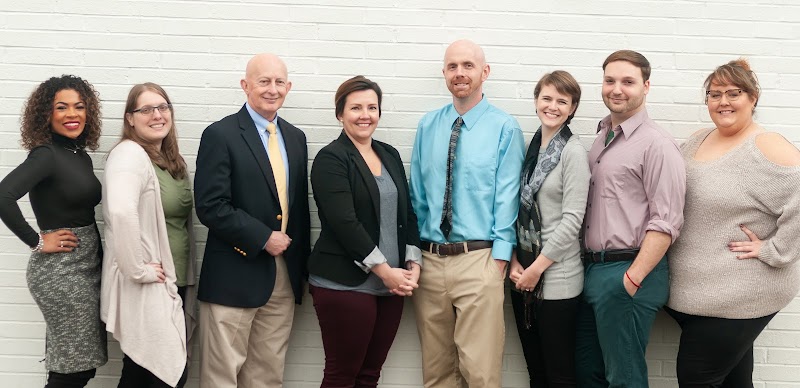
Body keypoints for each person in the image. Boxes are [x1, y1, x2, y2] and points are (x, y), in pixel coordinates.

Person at [665, 59, 800, 387]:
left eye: (734, 93)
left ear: (753, 98)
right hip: (697, 294)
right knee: (735, 382)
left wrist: (774, 250)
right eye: (715, 94)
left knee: (697, 378)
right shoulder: (698, 140)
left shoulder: (764, 145)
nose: (723, 101)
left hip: (739, 296)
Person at [410, 39, 525, 387]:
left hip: (479, 259)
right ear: (444, 73)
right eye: (452, 66)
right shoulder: (428, 126)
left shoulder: (505, 127)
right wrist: (415, 253)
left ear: (484, 72)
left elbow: (509, 197)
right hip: (430, 264)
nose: (460, 73)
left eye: (468, 66)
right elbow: (417, 195)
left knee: (481, 373)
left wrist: (500, 259)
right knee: (437, 373)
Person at [194, 53, 311, 388]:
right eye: (263, 81)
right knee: (222, 377)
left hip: (282, 278)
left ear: (288, 87)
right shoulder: (221, 134)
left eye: (278, 82)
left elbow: (298, 210)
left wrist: (301, 270)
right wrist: (262, 237)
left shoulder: (296, 138)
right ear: (246, 86)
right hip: (234, 273)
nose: (271, 89)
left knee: (266, 376)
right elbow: (211, 205)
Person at [575, 50, 686, 388]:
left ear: (646, 86)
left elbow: (666, 221)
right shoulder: (601, 138)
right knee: (587, 373)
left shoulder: (657, 145)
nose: (617, 89)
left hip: (629, 272)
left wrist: (631, 280)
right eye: (610, 80)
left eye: (628, 81)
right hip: (593, 271)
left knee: (624, 379)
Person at [308, 75, 422, 387]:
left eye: (372, 107)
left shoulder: (390, 154)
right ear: (340, 114)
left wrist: (412, 264)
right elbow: (344, 222)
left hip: (392, 286)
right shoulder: (331, 158)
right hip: (345, 284)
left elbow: (407, 214)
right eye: (355, 107)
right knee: (342, 376)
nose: (365, 115)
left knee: (369, 376)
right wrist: (386, 271)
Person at [0, 75, 107, 387]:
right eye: (61, 107)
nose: (72, 114)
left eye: (79, 106)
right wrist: (36, 240)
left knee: (72, 365)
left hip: (85, 268)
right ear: (46, 114)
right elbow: (3, 196)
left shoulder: (79, 155)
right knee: (74, 370)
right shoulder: (46, 154)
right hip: (61, 274)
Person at [101, 83, 198, 388]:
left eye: (163, 107)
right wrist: (138, 270)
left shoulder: (170, 161)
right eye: (146, 109)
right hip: (147, 284)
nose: (157, 115)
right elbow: (120, 212)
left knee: (147, 372)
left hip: (174, 280)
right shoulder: (129, 154)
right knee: (160, 373)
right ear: (130, 118)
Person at [508, 70, 589, 388]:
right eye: (546, 98)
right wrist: (516, 262)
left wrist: (536, 269)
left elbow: (572, 221)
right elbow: (519, 212)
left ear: (572, 108)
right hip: (523, 277)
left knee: (560, 375)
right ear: (536, 101)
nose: (552, 106)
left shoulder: (573, 153)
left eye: (562, 101)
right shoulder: (532, 149)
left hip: (558, 281)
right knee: (536, 372)